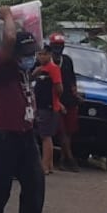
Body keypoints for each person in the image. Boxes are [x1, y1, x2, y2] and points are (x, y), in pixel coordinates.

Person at [0, 6, 53, 213]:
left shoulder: (21, 72)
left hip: (24, 133)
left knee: (35, 180)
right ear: (13, 53)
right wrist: (8, 16)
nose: (30, 57)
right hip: (1, 134)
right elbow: (9, 38)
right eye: (25, 54)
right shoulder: (0, 66)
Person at [47, 33, 81, 173]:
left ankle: (63, 159)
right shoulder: (47, 62)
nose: (58, 49)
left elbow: (72, 81)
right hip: (55, 101)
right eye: (55, 46)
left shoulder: (67, 61)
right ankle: (70, 160)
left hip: (70, 101)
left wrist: (76, 94)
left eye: (60, 46)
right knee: (62, 132)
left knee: (69, 131)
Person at [31, 45, 63, 175]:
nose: (41, 57)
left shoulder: (53, 69)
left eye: (44, 54)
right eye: (39, 54)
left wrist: (55, 100)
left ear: (49, 55)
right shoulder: (39, 69)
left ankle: (44, 166)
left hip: (49, 107)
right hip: (40, 105)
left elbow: (59, 88)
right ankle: (49, 165)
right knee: (44, 135)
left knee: (46, 137)